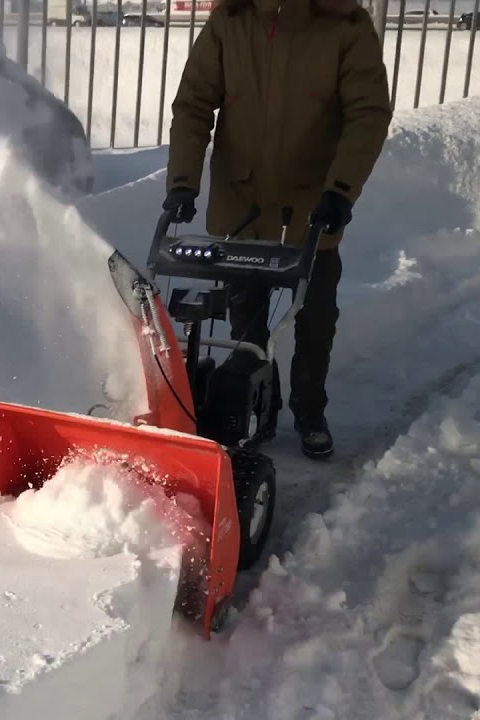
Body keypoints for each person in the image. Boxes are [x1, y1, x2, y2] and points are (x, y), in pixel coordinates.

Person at [162, 0, 393, 460]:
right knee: (245, 316)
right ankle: (257, 407)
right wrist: (183, 182)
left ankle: (310, 409)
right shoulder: (231, 20)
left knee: (314, 315)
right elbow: (193, 104)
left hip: (314, 204)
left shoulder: (344, 23)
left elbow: (368, 113)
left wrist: (341, 190)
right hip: (241, 201)